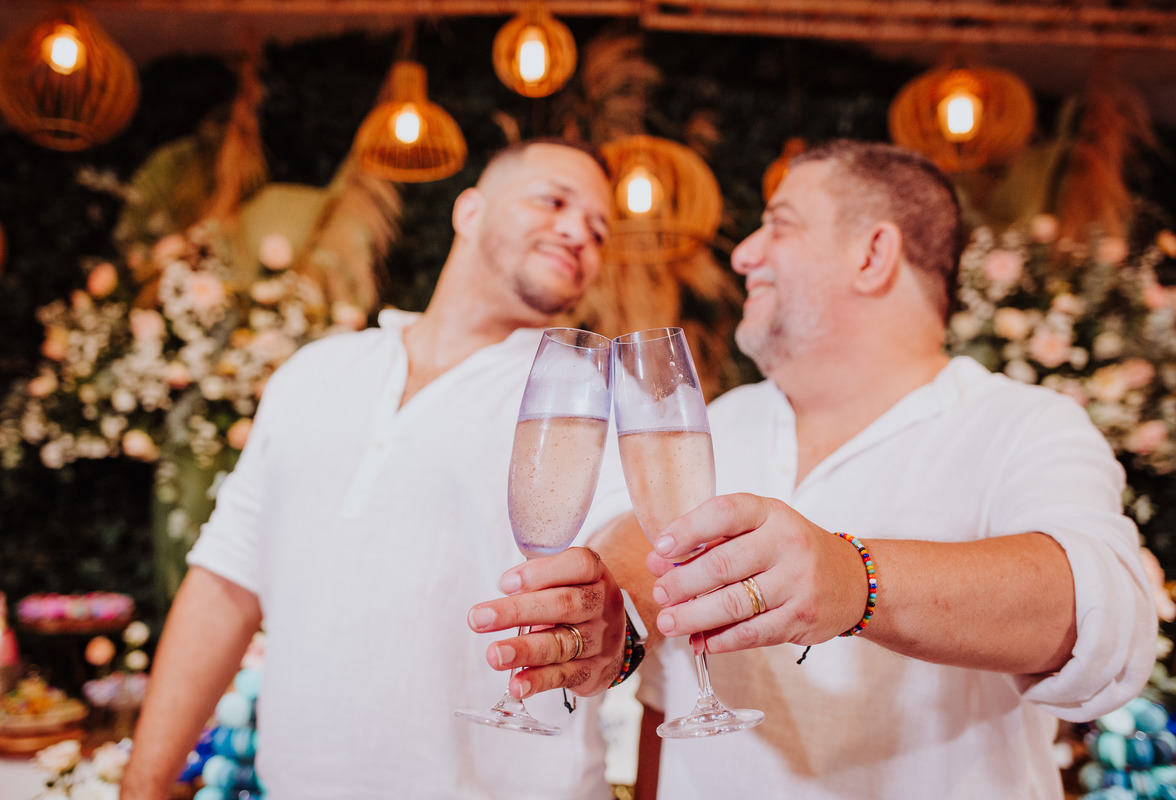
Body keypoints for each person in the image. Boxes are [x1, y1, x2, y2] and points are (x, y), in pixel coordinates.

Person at [467, 139, 1157, 799]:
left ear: (872, 254)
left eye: (779, 224)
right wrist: (614, 621)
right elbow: (653, 652)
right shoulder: (716, 422)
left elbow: (1106, 621)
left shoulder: (1022, 424)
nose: (744, 254)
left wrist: (852, 579)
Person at [119, 139, 632, 800]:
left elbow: (633, 539)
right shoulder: (317, 371)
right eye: (554, 201)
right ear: (469, 211)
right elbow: (225, 586)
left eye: (598, 230)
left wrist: (620, 614)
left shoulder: (587, 390)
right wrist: (142, 787)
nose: (578, 233)